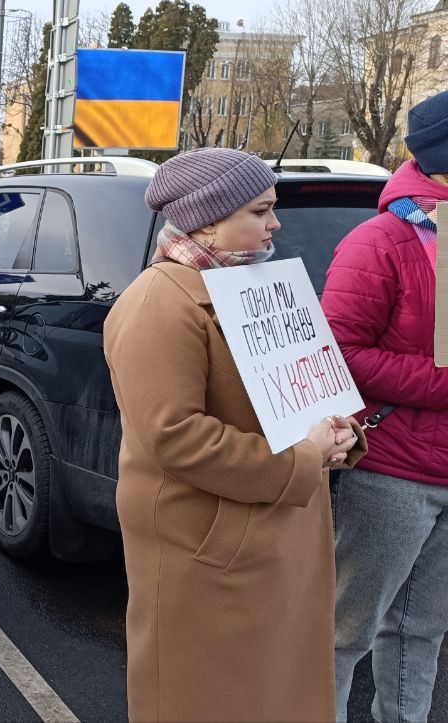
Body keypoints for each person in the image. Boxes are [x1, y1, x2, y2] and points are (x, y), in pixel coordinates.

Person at [103, 147, 366, 721]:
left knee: (276, 692)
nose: (276, 224)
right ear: (206, 220)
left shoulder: (252, 286)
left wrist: (336, 427)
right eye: (260, 210)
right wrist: (304, 459)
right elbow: (174, 435)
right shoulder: (158, 303)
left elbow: (294, 394)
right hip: (210, 550)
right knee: (208, 699)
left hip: (267, 538)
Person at [323, 89, 448, 722]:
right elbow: (338, 353)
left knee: (421, 632)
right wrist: (441, 381)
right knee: (345, 631)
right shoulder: (382, 241)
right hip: (392, 471)